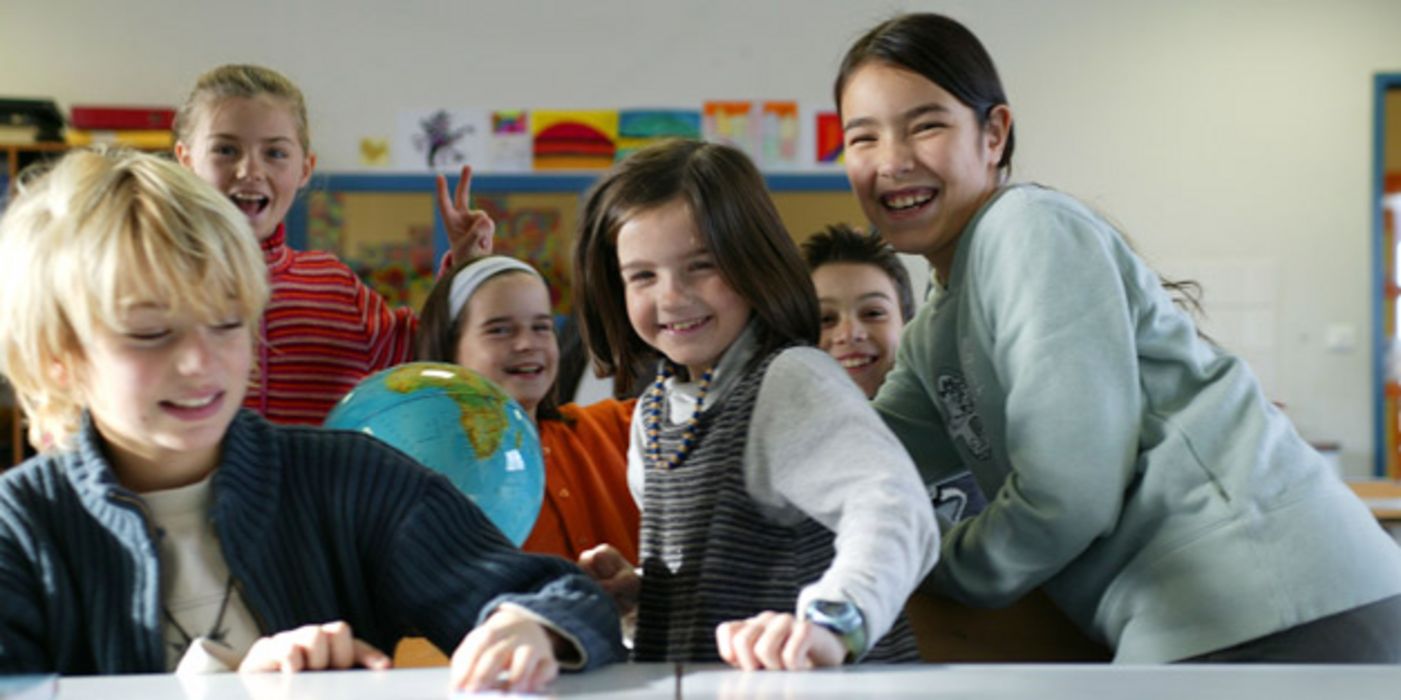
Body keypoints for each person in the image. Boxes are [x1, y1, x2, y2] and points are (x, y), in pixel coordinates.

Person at [837, 12, 1401, 663]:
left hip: (1272, 599)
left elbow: (1065, 497)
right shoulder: (937, 321)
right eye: (862, 139)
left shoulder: (1026, 228)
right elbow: (865, 455)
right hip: (1201, 614)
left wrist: (925, 557)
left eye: (925, 125)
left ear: (993, 134)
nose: (892, 162)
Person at [0, 148, 622, 691]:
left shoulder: (348, 478)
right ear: (60, 357)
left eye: (226, 323)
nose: (199, 362)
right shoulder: (21, 527)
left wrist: (526, 626)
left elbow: (556, 595)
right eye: (150, 332)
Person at [571, 139, 938, 670]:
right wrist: (647, 594)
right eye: (643, 276)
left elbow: (894, 508)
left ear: (752, 260)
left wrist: (831, 625)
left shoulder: (788, 380)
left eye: (700, 265)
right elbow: (734, 575)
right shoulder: (654, 415)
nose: (671, 297)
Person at [172, 63, 493, 425]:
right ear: (185, 162)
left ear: (305, 169)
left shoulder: (334, 286)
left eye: (275, 153)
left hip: (315, 483)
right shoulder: (152, 279)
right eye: (226, 150)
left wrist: (468, 269)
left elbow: (431, 358)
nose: (250, 170)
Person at [416, 255, 640, 564]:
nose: (527, 344)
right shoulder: (434, 471)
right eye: (500, 330)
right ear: (450, 346)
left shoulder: (620, 427)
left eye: (542, 327)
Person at [801, 224, 984, 523]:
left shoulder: (963, 434)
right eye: (826, 319)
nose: (849, 334)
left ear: (908, 327)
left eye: (873, 313)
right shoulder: (791, 455)